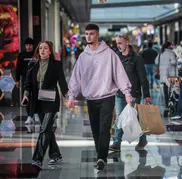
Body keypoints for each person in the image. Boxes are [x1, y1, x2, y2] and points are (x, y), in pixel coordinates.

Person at [66, 24, 133, 170]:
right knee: (95, 129)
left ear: (97, 35)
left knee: (104, 127)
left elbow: (119, 74)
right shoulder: (83, 57)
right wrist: (71, 96)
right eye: (87, 34)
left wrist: (127, 93)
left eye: (91, 34)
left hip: (107, 97)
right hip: (91, 99)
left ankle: (101, 157)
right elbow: (76, 78)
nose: (88, 36)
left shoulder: (109, 54)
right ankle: (100, 154)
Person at [22, 41, 68, 169]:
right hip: (39, 101)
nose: (42, 50)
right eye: (40, 48)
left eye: (45, 48)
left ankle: (37, 159)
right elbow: (27, 83)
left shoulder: (56, 65)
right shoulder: (32, 65)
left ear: (50, 51)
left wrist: (67, 96)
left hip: (51, 100)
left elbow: (62, 82)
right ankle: (56, 155)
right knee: (47, 130)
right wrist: (26, 94)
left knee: (44, 129)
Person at [109, 33, 150, 152]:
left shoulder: (137, 58)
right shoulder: (116, 57)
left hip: (134, 93)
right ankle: (117, 142)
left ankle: (143, 139)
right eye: (117, 43)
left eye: (120, 43)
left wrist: (146, 94)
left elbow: (143, 77)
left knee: (134, 118)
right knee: (120, 117)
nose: (118, 46)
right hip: (120, 94)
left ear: (127, 42)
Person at [16, 38, 39, 124]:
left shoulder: (36, 54)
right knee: (26, 97)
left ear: (33, 46)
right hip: (25, 79)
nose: (28, 47)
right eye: (27, 45)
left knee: (36, 96)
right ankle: (29, 116)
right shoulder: (22, 55)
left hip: (36, 79)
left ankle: (36, 113)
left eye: (30, 45)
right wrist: (17, 79)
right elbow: (18, 68)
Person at [155, 42, 177, 108]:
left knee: (165, 89)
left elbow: (156, 61)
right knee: (171, 88)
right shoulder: (171, 53)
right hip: (171, 74)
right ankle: (171, 102)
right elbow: (173, 62)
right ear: (169, 46)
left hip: (163, 74)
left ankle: (166, 103)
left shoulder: (160, 53)